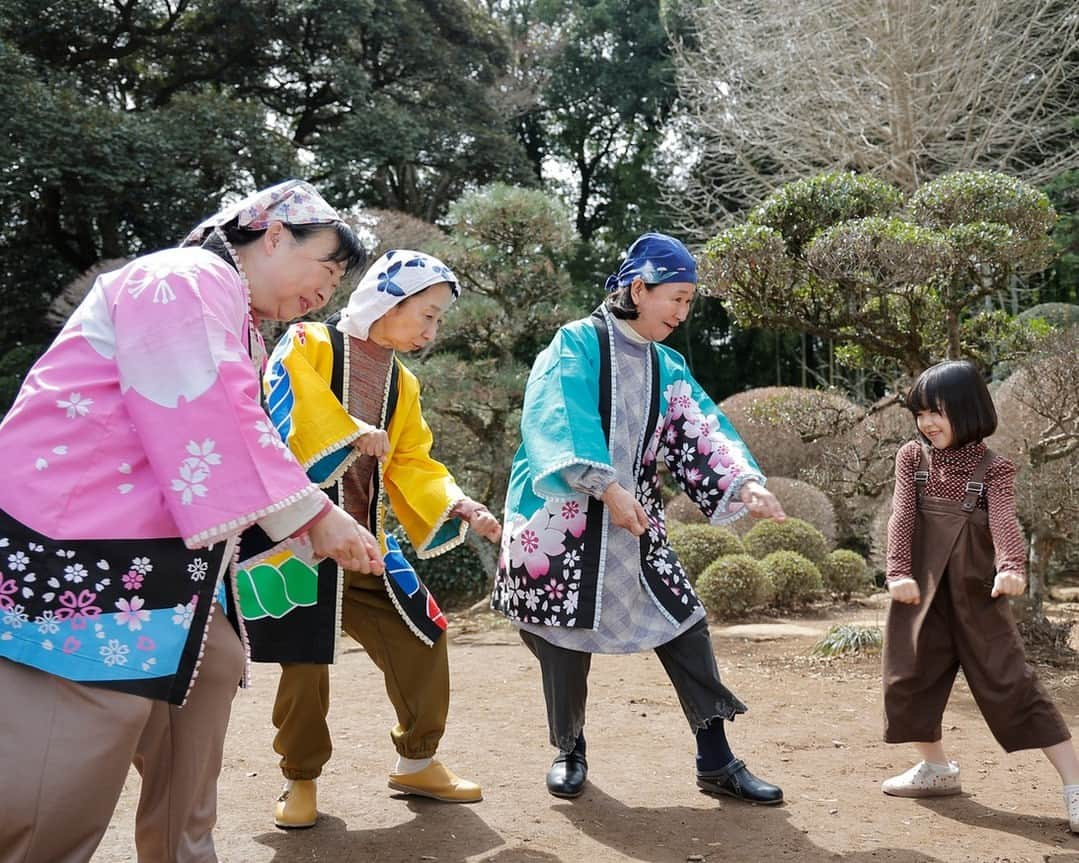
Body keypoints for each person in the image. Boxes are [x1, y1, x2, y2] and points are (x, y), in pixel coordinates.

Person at [0, 179, 384, 863]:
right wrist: (315, 515)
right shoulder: (181, 276)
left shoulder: (229, 314)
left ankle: (183, 851)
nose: (327, 293)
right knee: (86, 723)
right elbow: (207, 410)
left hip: (141, 549)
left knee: (213, 665)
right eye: (327, 267)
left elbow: (231, 427)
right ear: (272, 235)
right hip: (76, 543)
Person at [492, 232, 787, 803]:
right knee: (562, 638)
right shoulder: (575, 342)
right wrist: (604, 485)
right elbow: (557, 416)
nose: (682, 312)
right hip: (564, 521)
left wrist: (744, 482)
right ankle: (568, 748)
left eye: (688, 302)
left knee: (685, 625)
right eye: (675, 298)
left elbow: (700, 430)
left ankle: (716, 760)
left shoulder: (668, 366)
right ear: (638, 288)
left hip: (636, 523)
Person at [247, 249, 503, 830]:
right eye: (427, 314)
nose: (431, 330)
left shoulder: (401, 381)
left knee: (424, 632)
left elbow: (412, 458)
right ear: (389, 300)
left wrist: (457, 501)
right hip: (302, 536)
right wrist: (348, 430)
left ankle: (418, 761)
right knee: (305, 660)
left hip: (368, 539)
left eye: (438, 320)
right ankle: (300, 779)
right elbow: (283, 395)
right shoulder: (309, 340)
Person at [881, 359, 1079, 830]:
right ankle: (935, 769)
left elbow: (1005, 521)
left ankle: (1074, 784)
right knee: (908, 678)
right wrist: (897, 573)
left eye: (937, 412)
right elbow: (902, 517)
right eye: (920, 413)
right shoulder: (912, 457)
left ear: (969, 411)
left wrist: (1011, 567)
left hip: (976, 593)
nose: (927, 423)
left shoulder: (995, 467)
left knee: (1012, 684)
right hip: (920, 592)